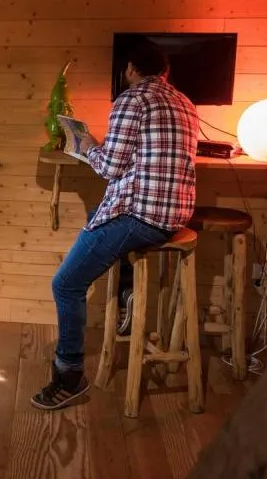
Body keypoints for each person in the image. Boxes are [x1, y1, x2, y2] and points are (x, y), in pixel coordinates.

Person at [31, 40, 199, 410]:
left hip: (142, 218)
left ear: (130, 69)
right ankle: (126, 293)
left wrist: (85, 144)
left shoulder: (132, 99)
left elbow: (109, 168)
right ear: (165, 71)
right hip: (176, 217)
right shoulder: (185, 102)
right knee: (98, 216)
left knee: (66, 284)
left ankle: (69, 375)